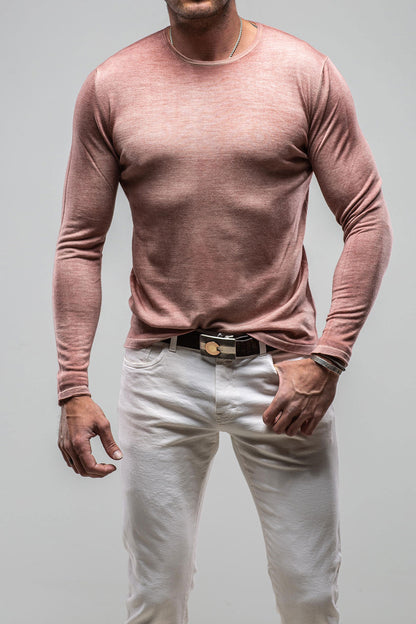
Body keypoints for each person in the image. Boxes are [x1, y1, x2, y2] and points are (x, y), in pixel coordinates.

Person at [52, 1, 393, 622]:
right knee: (156, 595)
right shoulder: (112, 84)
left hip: (282, 374)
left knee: (309, 592)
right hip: (161, 373)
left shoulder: (304, 73)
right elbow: (79, 243)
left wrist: (329, 357)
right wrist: (73, 385)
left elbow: (367, 219)